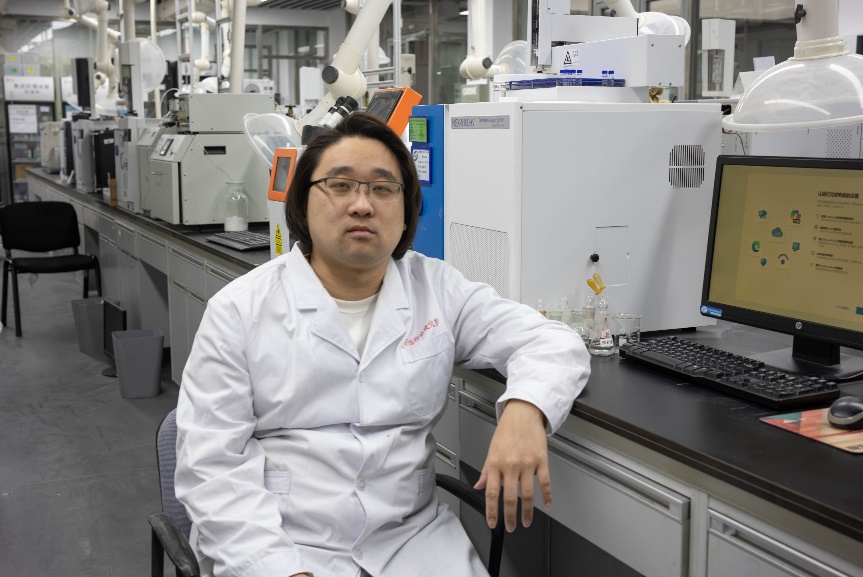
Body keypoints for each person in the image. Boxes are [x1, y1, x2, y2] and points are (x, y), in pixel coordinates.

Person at [175, 112, 590, 577]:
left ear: (407, 208)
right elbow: (211, 467)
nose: (362, 205)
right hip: (283, 545)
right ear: (302, 203)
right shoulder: (240, 309)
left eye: (383, 188)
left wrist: (524, 410)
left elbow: (553, 340)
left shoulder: (436, 288)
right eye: (340, 185)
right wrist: (280, 569)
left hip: (412, 542)